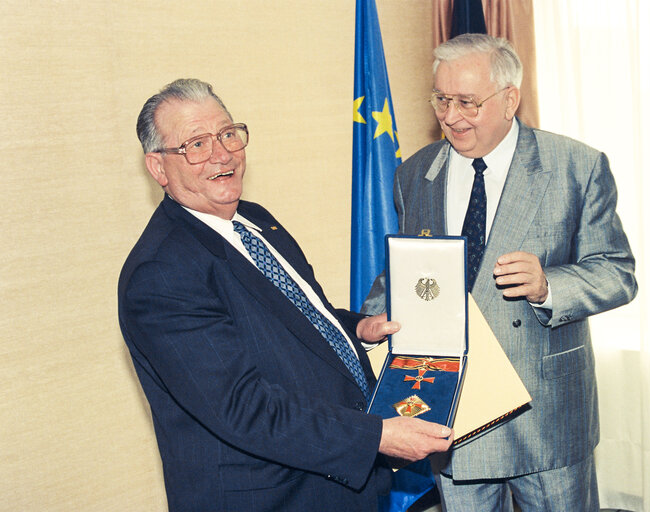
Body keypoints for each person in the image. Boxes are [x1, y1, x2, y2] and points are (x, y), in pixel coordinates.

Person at [118, 78, 453, 512]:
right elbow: (243, 407)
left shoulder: (255, 220)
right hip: (274, 497)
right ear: (159, 167)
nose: (222, 154)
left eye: (227, 134)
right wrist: (378, 437)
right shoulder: (161, 274)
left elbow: (296, 319)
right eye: (196, 144)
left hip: (339, 485)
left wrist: (356, 328)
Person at [362, 34, 638, 511]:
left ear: (510, 99)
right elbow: (403, 275)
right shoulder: (415, 173)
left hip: (545, 417)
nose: (451, 116)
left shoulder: (575, 166)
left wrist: (550, 286)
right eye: (441, 100)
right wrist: (371, 321)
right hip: (452, 414)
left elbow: (617, 272)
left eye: (467, 102)